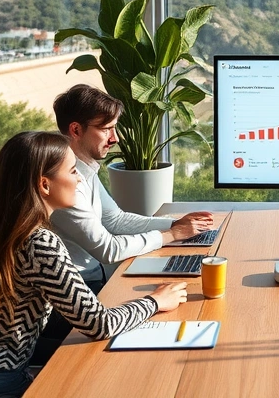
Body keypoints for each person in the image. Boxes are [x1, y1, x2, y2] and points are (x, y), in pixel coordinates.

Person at [0, 132, 188, 397]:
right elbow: (99, 324)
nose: (80, 179)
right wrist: (155, 301)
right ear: (44, 185)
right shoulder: (39, 242)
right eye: (73, 171)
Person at [32, 85, 213, 364]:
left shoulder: (81, 171)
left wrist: (174, 224)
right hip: (72, 298)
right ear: (76, 130)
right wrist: (170, 236)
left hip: (84, 288)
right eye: (106, 129)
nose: (114, 139)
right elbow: (107, 251)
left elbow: (114, 219)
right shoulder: (59, 189)